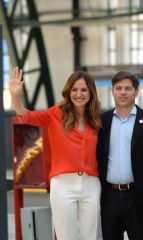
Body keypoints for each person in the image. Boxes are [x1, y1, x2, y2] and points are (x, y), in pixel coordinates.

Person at [9, 67, 102, 240]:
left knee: (91, 236)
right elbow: (25, 115)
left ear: (91, 93)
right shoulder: (55, 114)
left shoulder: (95, 119)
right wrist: (15, 95)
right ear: (68, 92)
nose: (79, 94)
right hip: (63, 185)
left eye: (83, 90)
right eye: (74, 89)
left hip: (91, 184)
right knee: (66, 236)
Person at [96, 71, 143, 240]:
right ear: (112, 92)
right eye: (118, 88)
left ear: (137, 91)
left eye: (127, 88)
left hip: (137, 196)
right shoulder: (101, 121)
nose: (123, 92)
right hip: (109, 196)